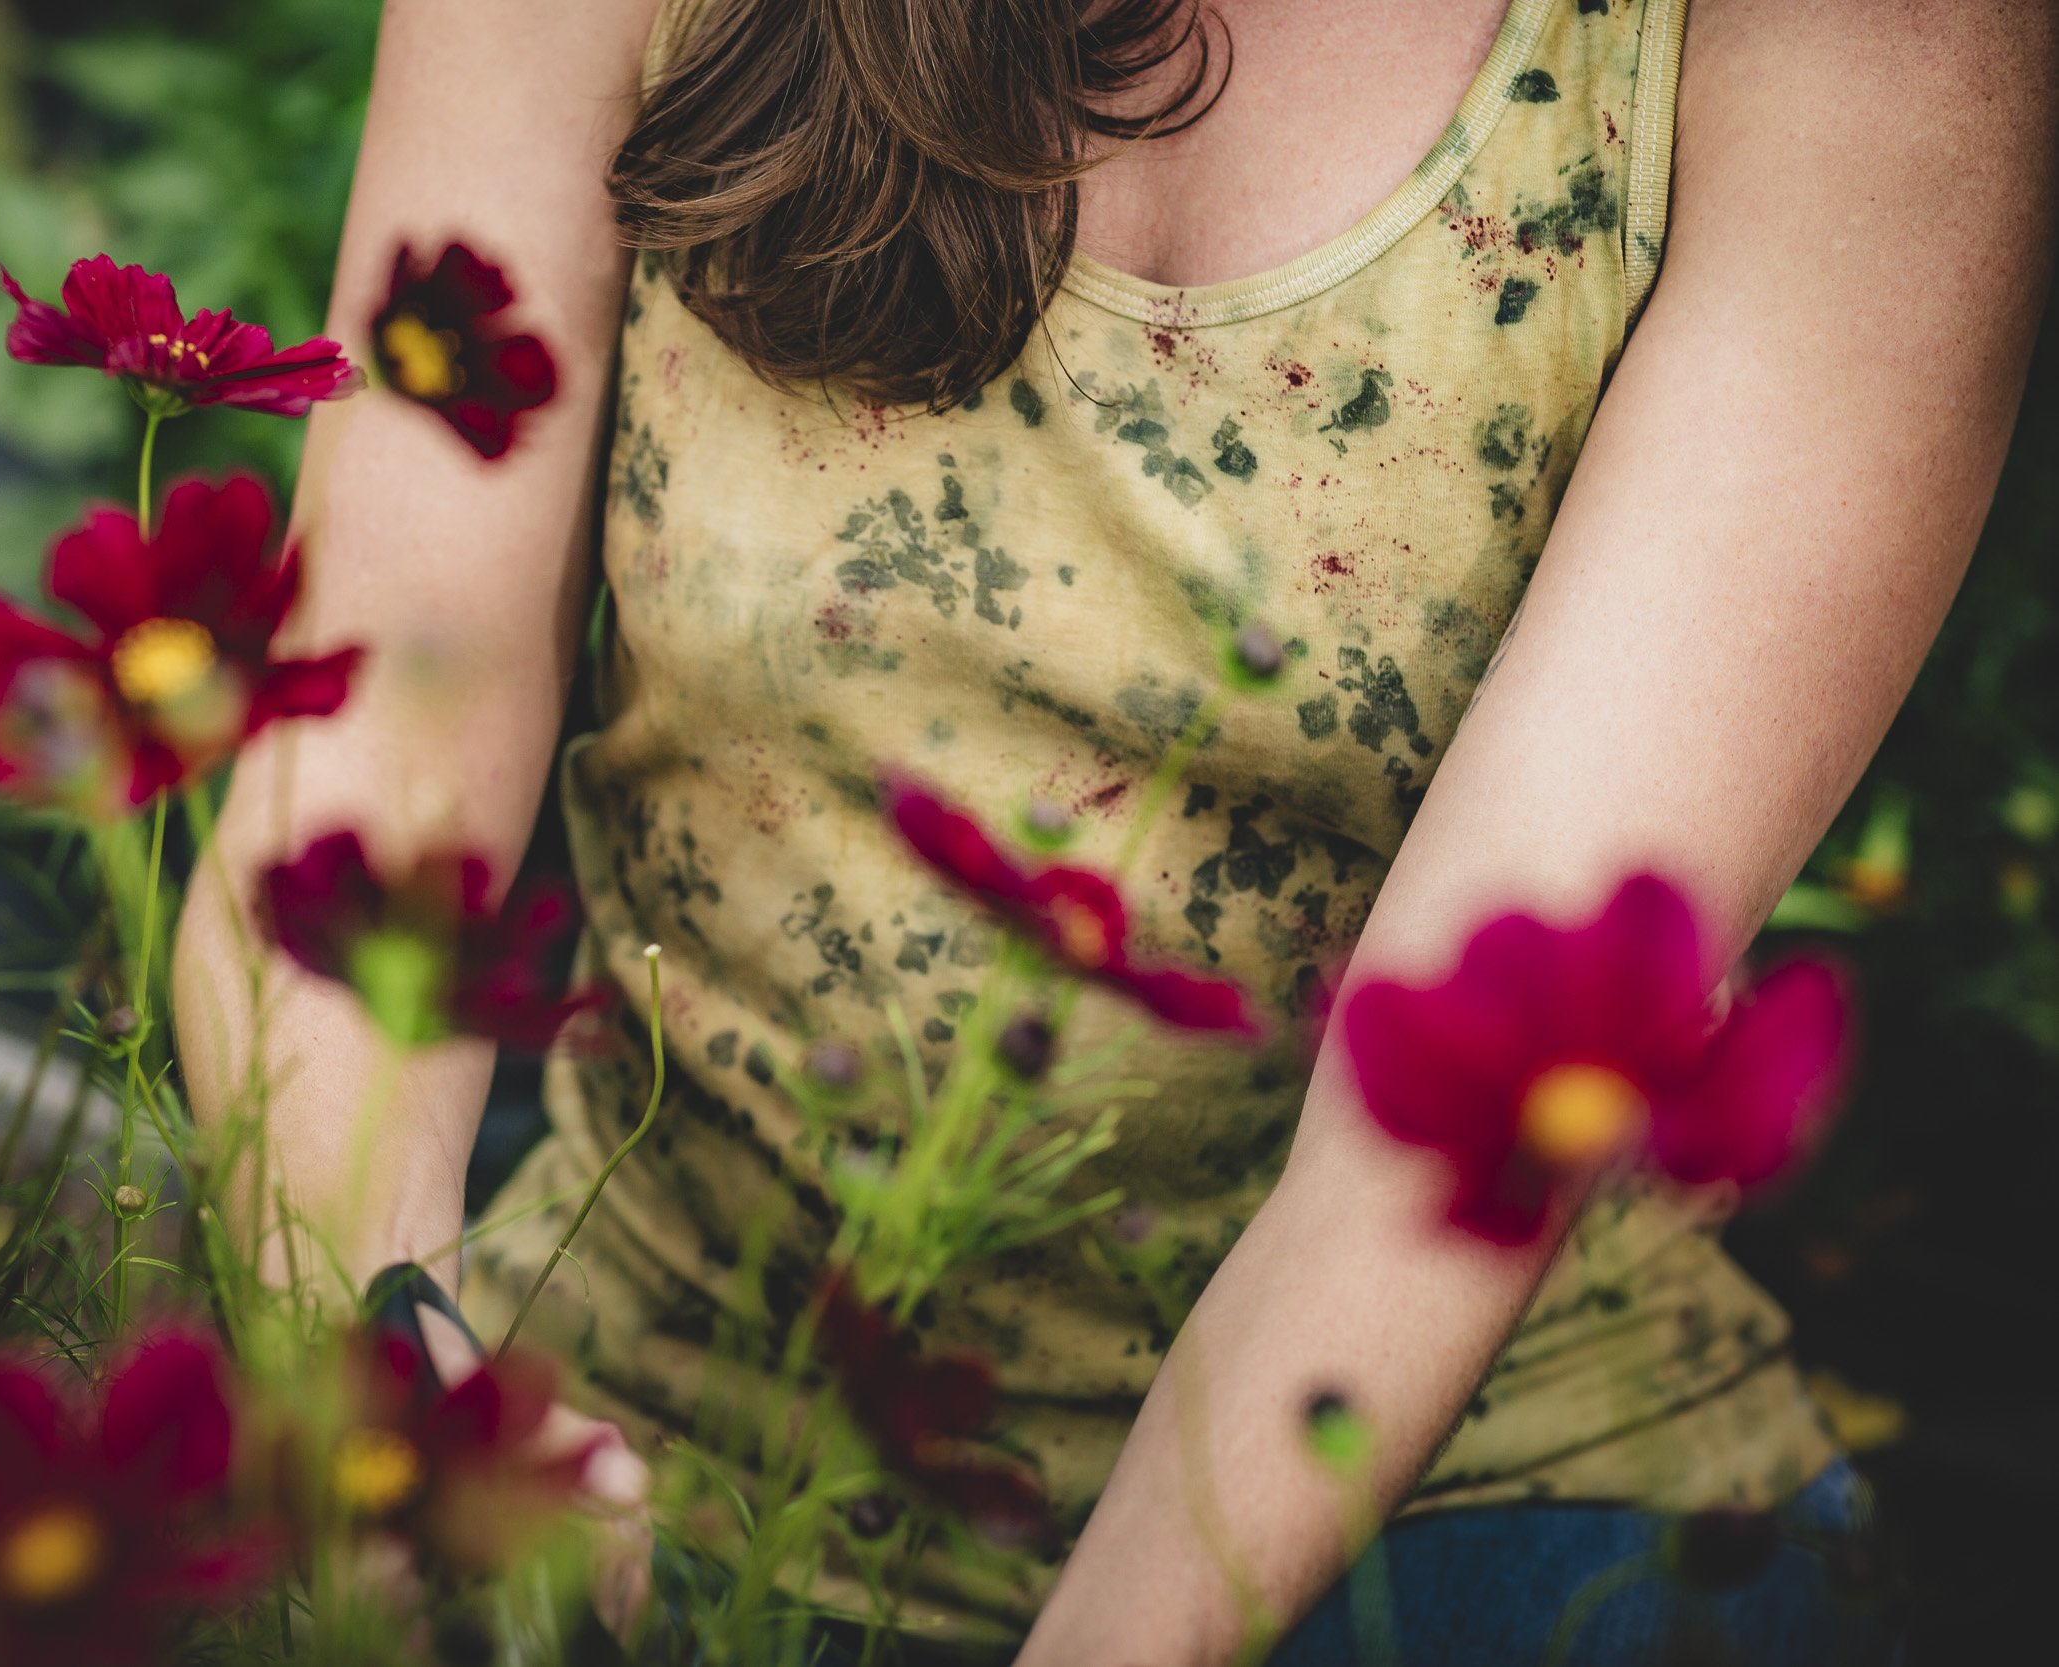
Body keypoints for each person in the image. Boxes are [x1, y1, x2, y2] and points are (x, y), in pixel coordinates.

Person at [175, 1, 2054, 1661]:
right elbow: (377, 726)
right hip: (620, 1403)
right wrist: (364, 1363)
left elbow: (1453, 1115)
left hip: (1455, 1498)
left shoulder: (1858, 47)